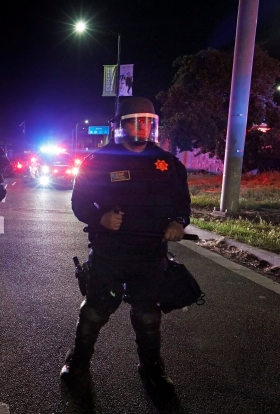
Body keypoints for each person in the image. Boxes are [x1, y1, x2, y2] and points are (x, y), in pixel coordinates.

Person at [60, 97, 191, 394]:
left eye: (148, 121)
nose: (142, 127)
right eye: (135, 120)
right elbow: (79, 203)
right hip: (110, 252)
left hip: (151, 253)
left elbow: (182, 203)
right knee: (95, 311)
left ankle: (152, 369)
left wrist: (178, 222)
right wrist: (100, 217)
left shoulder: (168, 163)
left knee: (148, 315)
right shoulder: (98, 160)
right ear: (120, 125)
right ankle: (78, 360)